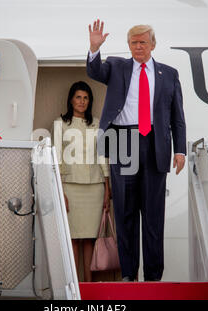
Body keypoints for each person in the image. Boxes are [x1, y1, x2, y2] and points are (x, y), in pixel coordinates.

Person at [86, 20, 186, 281]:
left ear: (153, 44)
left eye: (143, 42)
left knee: (153, 215)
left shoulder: (170, 73)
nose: (138, 46)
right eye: (133, 42)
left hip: (156, 142)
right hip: (123, 140)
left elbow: (177, 117)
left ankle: (153, 277)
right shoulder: (117, 66)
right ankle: (129, 274)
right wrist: (94, 48)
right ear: (128, 46)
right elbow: (95, 72)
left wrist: (180, 150)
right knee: (125, 211)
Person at [51, 81, 111, 282]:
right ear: (71, 99)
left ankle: (88, 288)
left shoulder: (97, 123)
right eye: (78, 97)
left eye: (86, 98)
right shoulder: (60, 124)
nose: (82, 101)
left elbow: (103, 158)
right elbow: (57, 159)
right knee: (73, 240)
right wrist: (61, 192)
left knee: (90, 240)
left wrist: (107, 189)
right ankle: (74, 288)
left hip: (95, 188)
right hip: (70, 187)